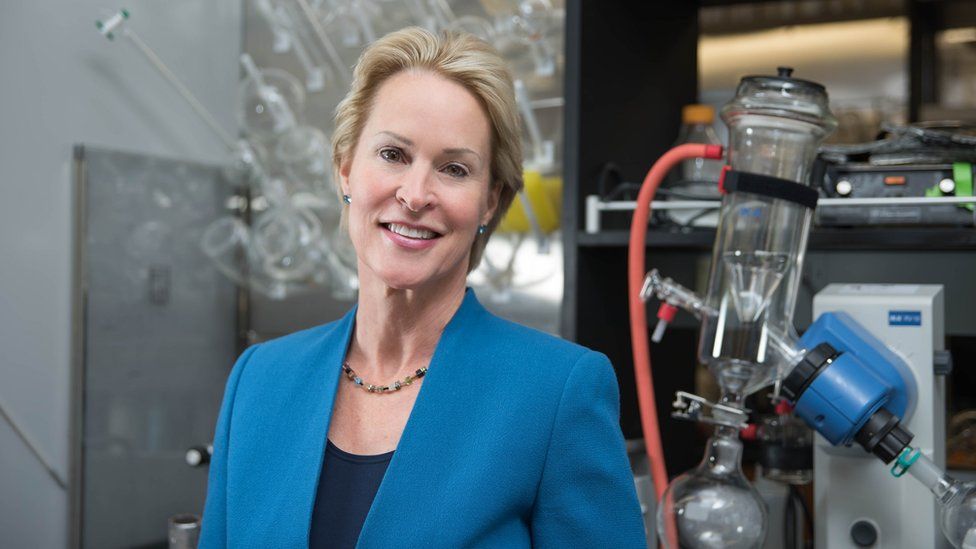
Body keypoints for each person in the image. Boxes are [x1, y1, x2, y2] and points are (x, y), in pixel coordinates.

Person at [199, 27, 646, 548]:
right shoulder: (259, 381)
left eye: (454, 169)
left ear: (489, 202)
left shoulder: (558, 393)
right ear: (345, 170)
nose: (415, 195)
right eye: (392, 155)